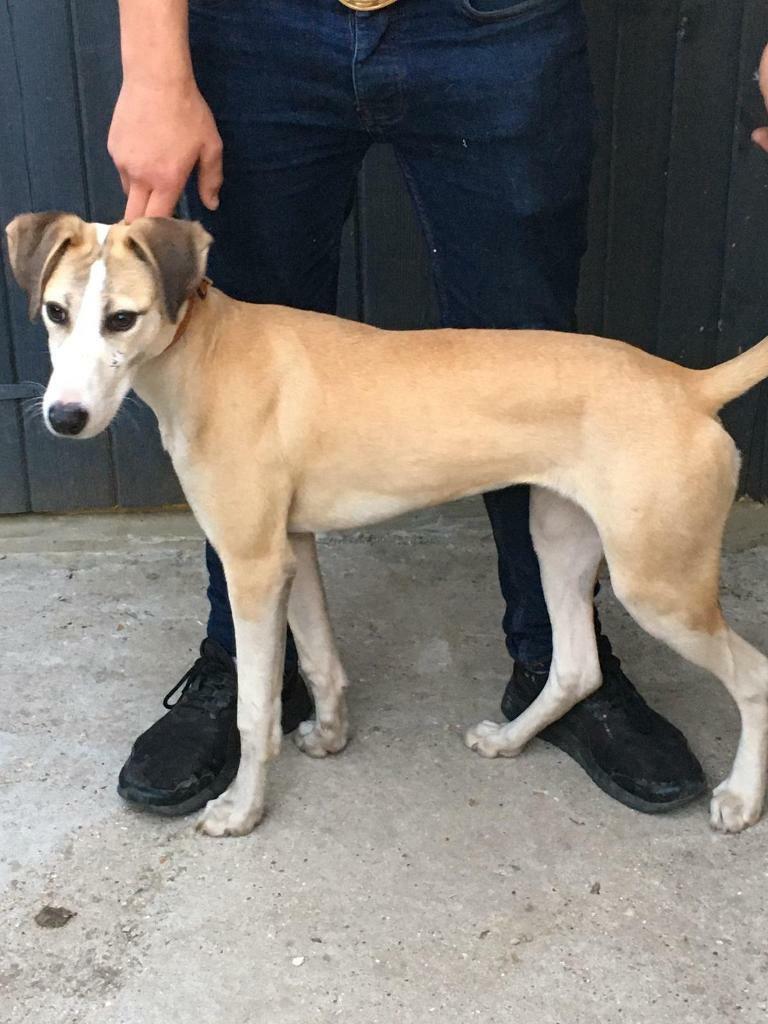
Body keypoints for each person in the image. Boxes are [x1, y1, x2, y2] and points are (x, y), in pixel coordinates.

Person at [108, 0, 768, 819]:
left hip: (500, 22)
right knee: (239, 409)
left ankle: (560, 658)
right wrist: (152, 63)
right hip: (258, 21)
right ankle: (247, 666)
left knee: (532, 351)